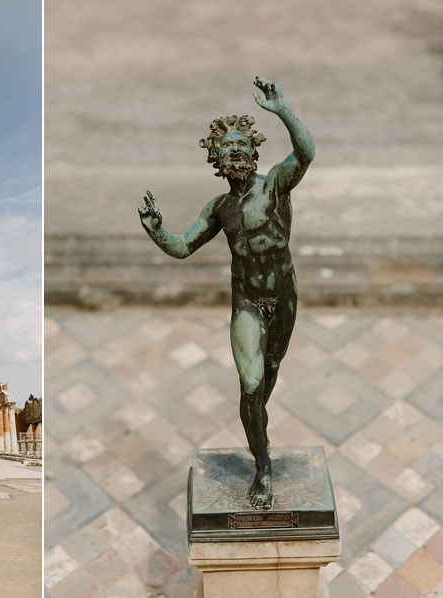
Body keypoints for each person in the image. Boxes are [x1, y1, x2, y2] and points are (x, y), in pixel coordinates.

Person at [138, 78, 313, 510]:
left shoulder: (274, 184)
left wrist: (283, 109)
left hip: (284, 298)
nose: (234, 150)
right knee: (250, 384)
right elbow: (182, 247)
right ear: (215, 158)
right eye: (225, 146)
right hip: (248, 304)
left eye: (241, 144)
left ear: (253, 151)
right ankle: (263, 466)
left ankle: (259, 433)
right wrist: (157, 230)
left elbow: (306, 152)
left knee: (268, 379)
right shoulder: (220, 207)